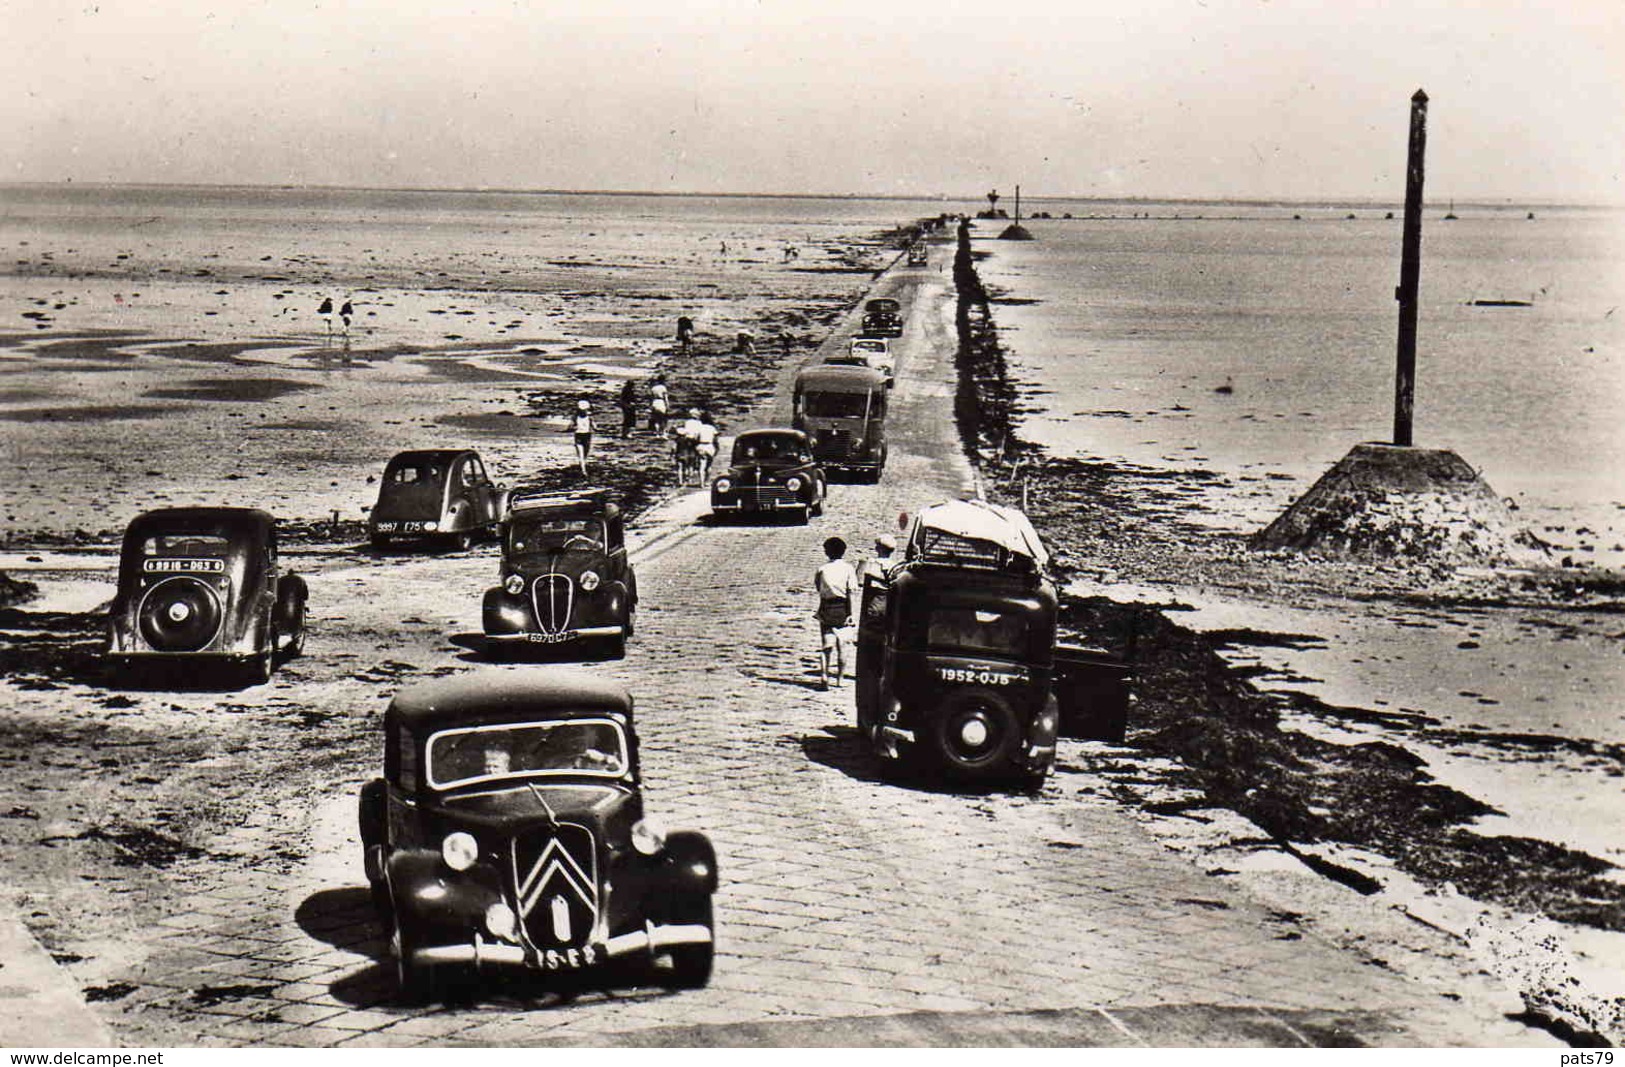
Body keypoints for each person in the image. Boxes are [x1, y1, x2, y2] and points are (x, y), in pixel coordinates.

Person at [813, 536, 858, 690]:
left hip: (826, 607)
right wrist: (850, 613)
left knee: (826, 645)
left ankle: (824, 675)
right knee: (843, 646)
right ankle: (840, 679)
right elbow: (851, 591)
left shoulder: (822, 569)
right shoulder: (848, 568)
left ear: (827, 552)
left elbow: (818, 587)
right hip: (842, 607)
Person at [673, 408, 704, 485]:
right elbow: (699, 433)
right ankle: (690, 477)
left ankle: (683, 478)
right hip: (695, 442)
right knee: (692, 460)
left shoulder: (687, 422)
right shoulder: (699, 423)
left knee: (684, 462)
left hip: (686, 441)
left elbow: (686, 432)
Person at [694, 409, 719, 481]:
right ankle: (707, 481)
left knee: (702, 465)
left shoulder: (699, 427)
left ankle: (701, 482)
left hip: (701, 446)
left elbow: (696, 438)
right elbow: (715, 439)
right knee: (709, 465)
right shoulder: (712, 428)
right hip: (709, 446)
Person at [571, 399, 594, 476]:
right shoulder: (589, 417)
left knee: (582, 454)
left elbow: (571, 426)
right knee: (583, 454)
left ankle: (582, 468)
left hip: (580, 435)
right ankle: (583, 470)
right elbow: (594, 426)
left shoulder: (575, 417)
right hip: (586, 435)